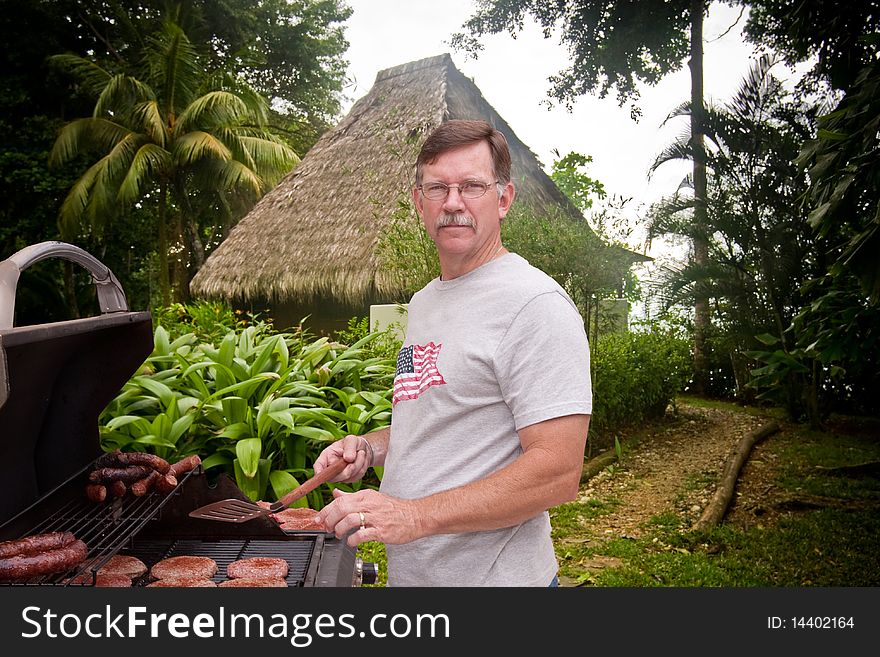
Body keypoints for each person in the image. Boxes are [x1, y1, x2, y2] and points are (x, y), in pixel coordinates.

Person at [314, 119, 592, 586]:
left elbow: (558, 471)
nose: (454, 202)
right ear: (419, 201)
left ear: (503, 199)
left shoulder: (535, 304)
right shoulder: (426, 301)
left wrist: (414, 517)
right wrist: (370, 448)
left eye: (472, 186)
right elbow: (435, 418)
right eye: (438, 188)